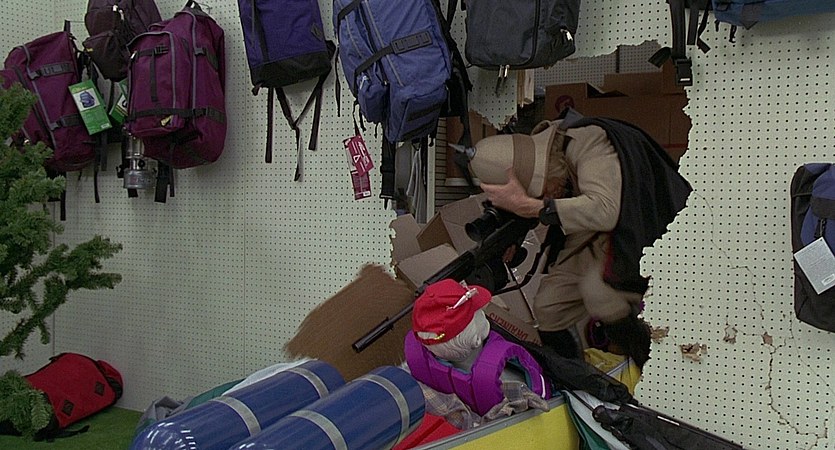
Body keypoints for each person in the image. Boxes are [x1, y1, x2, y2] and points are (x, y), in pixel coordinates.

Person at [470, 111, 692, 369]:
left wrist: (533, 207)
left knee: (599, 293)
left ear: (548, 167)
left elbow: (605, 210)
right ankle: (575, 379)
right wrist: (514, 235)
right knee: (549, 305)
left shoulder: (589, 142)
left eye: (543, 188)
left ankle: (656, 370)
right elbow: (549, 201)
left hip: (638, 227)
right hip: (593, 233)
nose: (546, 195)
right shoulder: (549, 153)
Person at [404, 278, 551, 418]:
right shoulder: (506, 380)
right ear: (475, 340)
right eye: (478, 311)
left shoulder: (419, 364)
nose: (483, 311)